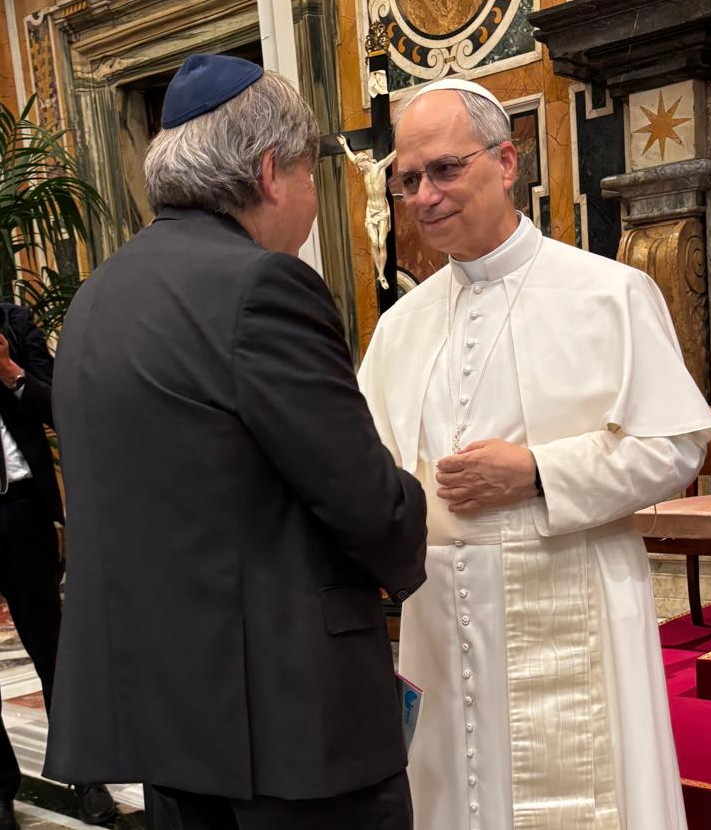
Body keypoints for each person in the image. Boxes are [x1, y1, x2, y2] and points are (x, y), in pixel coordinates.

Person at [43, 54, 427, 830]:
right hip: (290, 728)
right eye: (310, 174)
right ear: (270, 172)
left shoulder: (97, 295)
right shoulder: (261, 286)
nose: (311, 201)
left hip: (170, 722)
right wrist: (412, 506)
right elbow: (364, 501)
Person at [357, 78, 711, 830]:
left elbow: (675, 445)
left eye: (445, 169)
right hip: (440, 616)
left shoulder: (609, 293)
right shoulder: (399, 328)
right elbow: (371, 467)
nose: (425, 196)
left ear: (505, 161)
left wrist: (538, 472)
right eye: (409, 180)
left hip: (573, 586)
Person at [0, 305, 115, 829]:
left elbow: (59, 404)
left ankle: (85, 771)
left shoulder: (13, 325)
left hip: (22, 510)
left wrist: (9, 371)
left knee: (53, 648)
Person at [338, 134, 397, 289]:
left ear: (366, 161)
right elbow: (352, 159)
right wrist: (344, 145)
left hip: (381, 210)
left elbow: (393, 155)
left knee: (382, 243)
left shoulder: (379, 167)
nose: (358, 167)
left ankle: (382, 274)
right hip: (370, 211)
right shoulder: (365, 171)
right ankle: (380, 274)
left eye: (360, 164)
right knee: (374, 242)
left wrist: (402, 141)